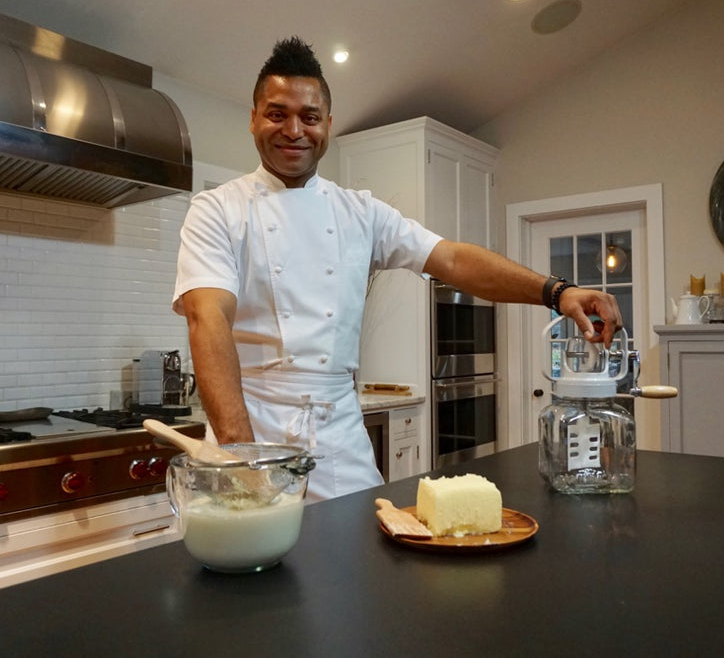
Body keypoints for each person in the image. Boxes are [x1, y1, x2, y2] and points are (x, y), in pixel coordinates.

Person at [173, 36, 621, 501]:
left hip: (339, 439)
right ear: (252, 119)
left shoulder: (360, 213)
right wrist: (244, 456)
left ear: (328, 123)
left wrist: (557, 292)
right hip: (251, 427)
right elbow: (208, 319)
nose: (293, 130)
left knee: (360, 561)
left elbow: (451, 259)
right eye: (276, 113)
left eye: (308, 117)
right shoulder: (217, 210)